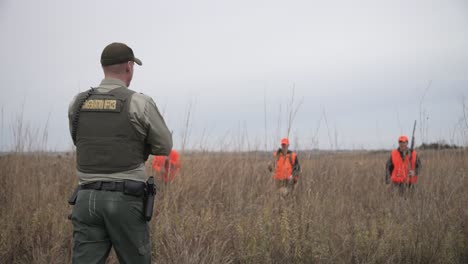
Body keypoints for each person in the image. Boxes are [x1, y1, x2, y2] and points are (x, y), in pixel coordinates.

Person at [67, 42, 172, 264]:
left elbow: (79, 140)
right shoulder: (139, 102)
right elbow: (164, 146)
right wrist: (140, 145)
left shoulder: (77, 102)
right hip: (125, 199)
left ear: (103, 67)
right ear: (128, 66)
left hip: (85, 199)